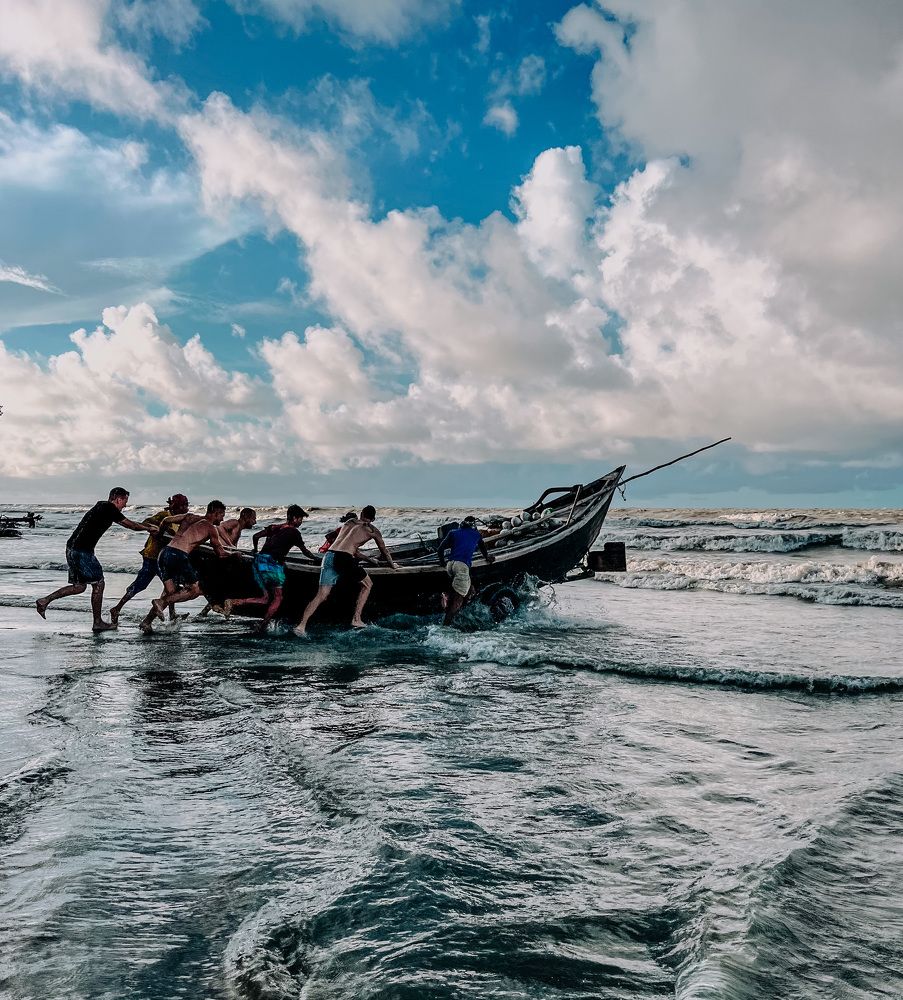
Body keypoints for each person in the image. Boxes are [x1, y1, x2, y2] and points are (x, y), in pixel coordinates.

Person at [35, 487, 157, 632]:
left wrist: (145, 527)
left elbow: (129, 524)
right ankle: (97, 622)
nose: (125, 506)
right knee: (99, 583)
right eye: (125, 501)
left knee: (79, 587)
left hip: (72, 548)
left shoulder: (102, 506)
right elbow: (131, 525)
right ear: (118, 499)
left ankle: (45, 600)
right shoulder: (109, 508)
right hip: (82, 551)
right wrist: (149, 528)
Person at [294, 505, 398, 635]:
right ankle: (356, 619)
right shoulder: (373, 531)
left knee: (321, 595)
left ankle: (301, 626)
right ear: (373, 519)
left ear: (361, 514)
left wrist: (370, 560)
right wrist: (393, 565)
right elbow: (384, 551)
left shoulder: (349, 522)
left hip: (329, 556)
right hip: (344, 558)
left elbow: (351, 548)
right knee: (368, 584)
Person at [223, 505, 318, 633]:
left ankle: (233, 602)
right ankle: (263, 626)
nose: (301, 522)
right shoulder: (294, 532)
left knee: (266, 598)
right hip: (272, 564)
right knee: (278, 598)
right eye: (300, 519)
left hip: (258, 561)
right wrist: (316, 559)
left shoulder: (275, 527)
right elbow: (305, 551)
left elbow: (255, 536)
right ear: (295, 518)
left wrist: (255, 550)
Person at [139, 500, 228, 633]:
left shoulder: (189, 517)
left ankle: (146, 622)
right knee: (195, 590)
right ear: (215, 513)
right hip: (178, 555)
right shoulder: (211, 528)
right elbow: (221, 553)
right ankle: (159, 603)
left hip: (164, 553)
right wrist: (235, 554)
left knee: (171, 592)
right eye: (222, 515)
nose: (222, 519)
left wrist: (160, 535)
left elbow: (166, 521)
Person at [108, 493, 190, 626]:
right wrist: (155, 529)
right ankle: (116, 609)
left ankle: (172, 614)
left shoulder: (179, 519)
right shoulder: (164, 516)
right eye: (184, 505)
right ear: (177, 506)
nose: (187, 508)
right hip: (152, 556)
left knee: (171, 586)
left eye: (187, 505)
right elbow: (146, 522)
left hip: (164, 558)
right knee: (141, 585)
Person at [437, 515, 495, 625]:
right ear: (474, 525)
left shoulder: (453, 532)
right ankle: (446, 626)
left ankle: (449, 598)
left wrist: (443, 563)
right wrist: (487, 557)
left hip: (450, 565)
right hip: (462, 566)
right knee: (457, 601)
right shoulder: (476, 534)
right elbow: (482, 548)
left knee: (470, 590)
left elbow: (440, 549)